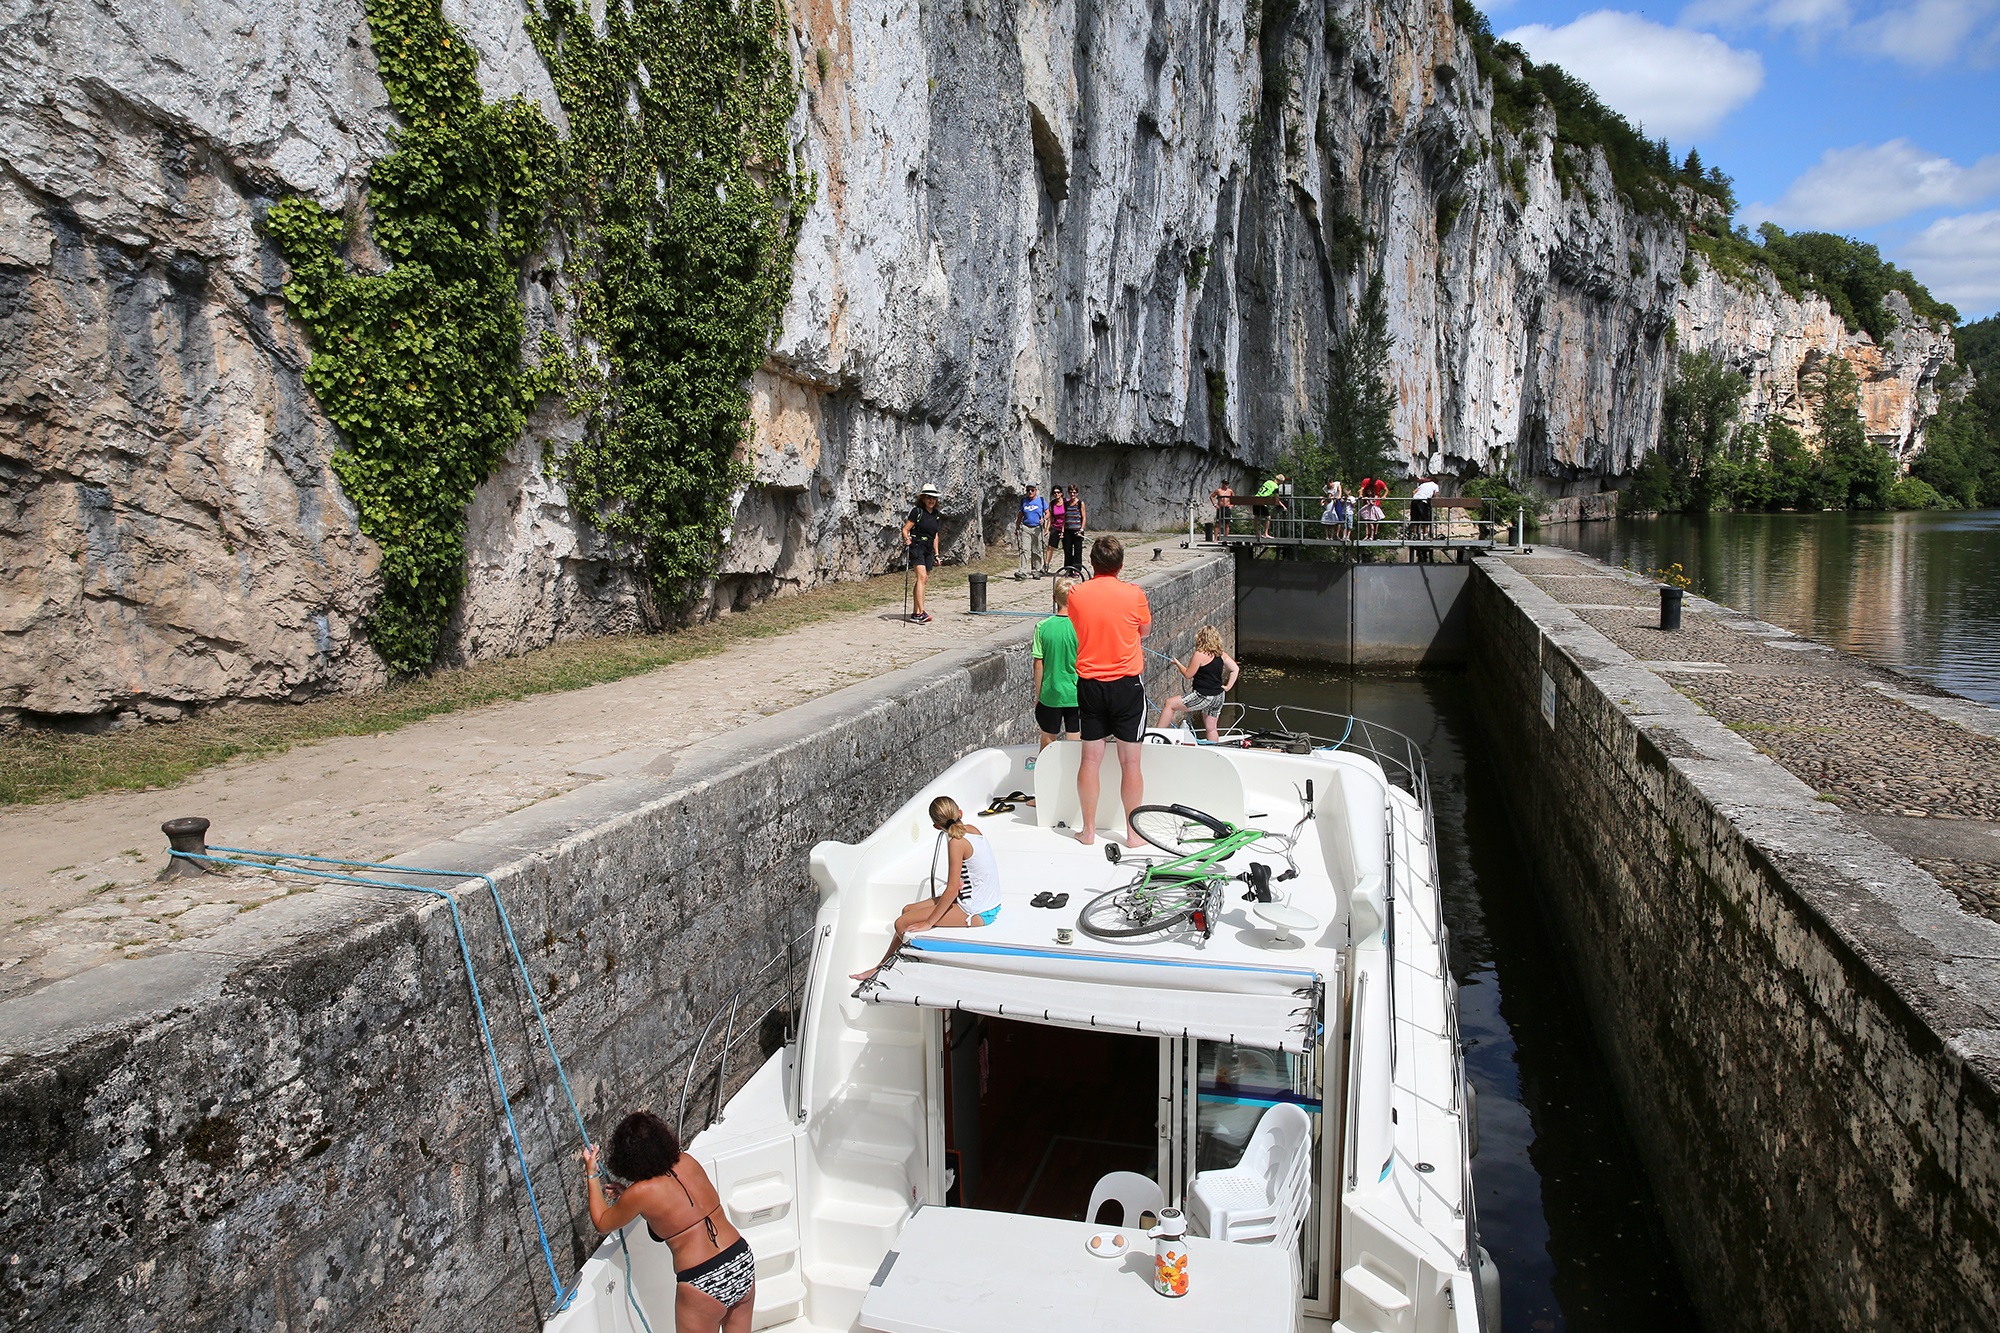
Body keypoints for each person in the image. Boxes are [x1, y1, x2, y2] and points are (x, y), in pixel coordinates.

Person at [583, 1111, 755, 1331]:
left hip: (703, 1277)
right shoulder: (688, 1161)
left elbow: (601, 1221)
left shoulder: (640, 1192)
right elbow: (680, 1210)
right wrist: (631, 1197)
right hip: (740, 1259)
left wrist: (591, 1173)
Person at [852, 796, 1003, 982]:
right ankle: (887, 963)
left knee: (901, 924)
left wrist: (929, 922)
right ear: (960, 813)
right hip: (983, 901)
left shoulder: (956, 842)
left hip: (978, 910)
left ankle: (882, 969)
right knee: (907, 910)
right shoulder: (972, 830)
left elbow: (952, 890)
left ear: (937, 827)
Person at [1066, 536, 1150, 847]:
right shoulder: (1134, 594)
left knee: (1090, 760)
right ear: (1121, 565)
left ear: (1092, 563)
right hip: (1127, 685)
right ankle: (1133, 834)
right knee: (1131, 763)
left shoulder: (1076, 593)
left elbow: (1078, 623)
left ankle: (1088, 831)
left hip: (1090, 685)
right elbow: (1144, 631)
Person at [1157, 626, 1239, 742]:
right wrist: (1228, 687)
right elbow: (1235, 669)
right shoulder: (1221, 655)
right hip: (1218, 696)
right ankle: (1214, 749)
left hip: (1203, 696)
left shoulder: (1199, 654)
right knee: (1211, 729)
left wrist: (1178, 664)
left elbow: (1188, 674)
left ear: (1200, 638)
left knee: (1169, 704)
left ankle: (1157, 736)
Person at [1033, 577, 1080, 748]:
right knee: (1074, 735)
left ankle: (1043, 765)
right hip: (1076, 692)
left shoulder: (1042, 627)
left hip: (1050, 692)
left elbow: (1038, 664)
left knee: (1047, 736)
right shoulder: (1082, 626)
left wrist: (1039, 694)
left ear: (1054, 598)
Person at [901, 483, 943, 624]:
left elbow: (935, 535)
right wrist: (906, 539)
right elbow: (905, 529)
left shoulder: (936, 514)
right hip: (917, 546)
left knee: (923, 580)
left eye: (934, 498)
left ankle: (916, 613)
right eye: (929, 497)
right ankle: (922, 612)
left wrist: (936, 554)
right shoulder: (917, 512)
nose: (932, 500)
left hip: (928, 548)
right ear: (923, 498)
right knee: (922, 577)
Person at [1015, 484, 1047, 580]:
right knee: (1025, 549)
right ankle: (1022, 571)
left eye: (1032, 490)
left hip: (1037, 528)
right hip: (1026, 528)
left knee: (1036, 550)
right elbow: (1020, 515)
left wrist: (1044, 519)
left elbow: (1048, 513)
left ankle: (1036, 570)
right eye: (1028, 490)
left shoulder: (1041, 500)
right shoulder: (1024, 501)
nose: (1030, 492)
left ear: (1035, 491)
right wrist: (1017, 527)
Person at [1252, 474, 1288, 539]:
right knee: (1268, 517)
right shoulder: (1275, 487)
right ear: (1280, 481)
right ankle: (1266, 533)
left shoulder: (1268, 481)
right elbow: (1276, 499)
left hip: (1256, 498)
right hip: (1262, 500)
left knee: (1256, 516)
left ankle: (1257, 533)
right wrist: (1283, 506)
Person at [1061, 485, 1086, 573]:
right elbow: (1064, 518)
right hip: (1068, 530)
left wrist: (1081, 529)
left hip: (1077, 530)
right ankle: (1068, 569)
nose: (1072, 494)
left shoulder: (1080, 503)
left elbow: (1084, 517)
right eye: (1071, 492)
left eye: (1074, 492)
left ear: (1077, 493)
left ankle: (1077, 570)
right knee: (1067, 550)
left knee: (1077, 551)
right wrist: (1062, 531)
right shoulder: (1066, 504)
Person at [1410, 474, 1439, 546]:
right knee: (1425, 519)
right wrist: (1430, 499)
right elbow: (1435, 494)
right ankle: (1425, 535)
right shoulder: (1435, 486)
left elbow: (1413, 492)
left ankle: (1415, 535)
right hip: (1422, 501)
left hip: (1414, 500)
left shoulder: (1423, 485)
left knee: (1415, 519)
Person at [1046, 486, 1067, 571]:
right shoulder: (1052, 504)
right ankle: (1046, 565)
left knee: (1067, 548)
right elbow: (1051, 518)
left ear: (1061, 493)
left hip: (1066, 528)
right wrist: (1047, 529)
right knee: (1050, 547)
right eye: (1054, 492)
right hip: (1056, 527)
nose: (1056, 494)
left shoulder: (1066, 502)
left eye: (1058, 492)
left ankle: (1068, 568)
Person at [1321, 478, 1348, 542]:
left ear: (1332, 482)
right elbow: (1327, 495)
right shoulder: (1325, 488)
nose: (1328, 485)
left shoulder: (1337, 484)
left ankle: (1339, 534)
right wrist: (1324, 499)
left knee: (1339, 517)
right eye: (1327, 484)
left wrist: (1338, 496)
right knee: (1329, 520)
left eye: (1329, 484)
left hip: (1337, 500)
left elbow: (1340, 491)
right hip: (1331, 501)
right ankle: (1331, 535)